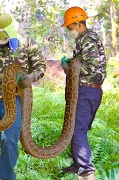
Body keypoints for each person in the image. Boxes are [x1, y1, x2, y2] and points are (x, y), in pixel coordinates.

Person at [0, 12, 46, 180]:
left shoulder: (27, 43)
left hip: (15, 100)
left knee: (9, 140)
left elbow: (40, 65)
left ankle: (6, 175)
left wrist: (32, 77)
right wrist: (6, 78)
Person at [60, 6, 106, 180]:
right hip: (86, 90)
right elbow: (83, 64)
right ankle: (78, 163)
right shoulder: (83, 40)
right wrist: (71, 64)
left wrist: (70, 68)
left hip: (88, 91)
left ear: (78, 24)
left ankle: (86, 171)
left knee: (78, 130)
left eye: (70, 26)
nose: (68, 30)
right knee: (76, 128)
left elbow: (93, 70)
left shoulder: (88, 40)